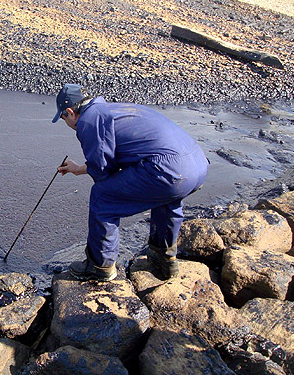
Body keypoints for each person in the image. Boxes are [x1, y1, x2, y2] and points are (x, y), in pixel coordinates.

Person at [52, 83, 209, 282]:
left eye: (63, 117)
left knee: (103, 196)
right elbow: (116, 157)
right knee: (167, 197)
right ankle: (164, 259)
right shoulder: (112, 109)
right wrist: (79, 168)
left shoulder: (89, 121)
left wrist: (92, 169)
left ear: (69, 111)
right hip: (196, 165)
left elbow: (102, 171)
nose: (66, 122)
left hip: (170, 170)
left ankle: (100, 265)